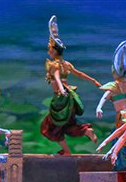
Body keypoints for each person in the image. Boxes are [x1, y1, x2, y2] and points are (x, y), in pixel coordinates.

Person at [40, 16, 102, 155]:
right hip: (70, 98)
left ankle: (67, 150)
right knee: (67, 125)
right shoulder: (66, 64)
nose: (48, 51)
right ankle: (85, 132)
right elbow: (79, 74)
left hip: (61, 99)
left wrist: (61, 89)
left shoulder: (55, 65)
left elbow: (57, 77)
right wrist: (93, 80)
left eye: (49, 49)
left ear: (54, 51)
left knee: (50, 127)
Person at [96, 41, 126, 170]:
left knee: (122, 138)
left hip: (124, 116)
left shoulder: (115, 85)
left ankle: (124, 165)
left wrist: (99, 107)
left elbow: (105, 97)